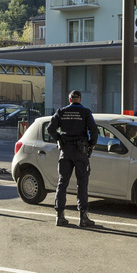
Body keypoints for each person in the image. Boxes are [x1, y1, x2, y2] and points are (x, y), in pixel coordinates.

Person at [48, 89, 99, 227]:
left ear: (70, 99)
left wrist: (60, 138)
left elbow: (50, 129)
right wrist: (91, 144)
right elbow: (94, 130)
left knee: (62, 183)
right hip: (80, 151)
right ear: (80, 100)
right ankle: (83, 218)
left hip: (65, 151)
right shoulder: (85, 112)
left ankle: (60, 217)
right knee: (82, 184)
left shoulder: (61, 112)